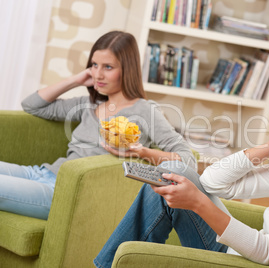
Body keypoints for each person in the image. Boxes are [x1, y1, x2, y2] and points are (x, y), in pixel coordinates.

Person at [94, 74, 269, 268]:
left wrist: (198, 203)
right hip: (244, 252)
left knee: (173, 179)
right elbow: (214, 183)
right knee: (173, 170)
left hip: (258, 263)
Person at [0, 31, 196, 220]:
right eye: (94, 65)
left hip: (63, 192)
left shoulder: (145, 110)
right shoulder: (89, 104)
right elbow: (31, 105)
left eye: (108, 67)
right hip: (42, 173)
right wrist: (76, 80)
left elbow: (187, 159)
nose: (98, 74)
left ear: (127, 70)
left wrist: (142, 152)